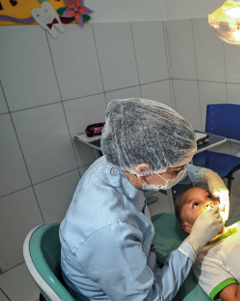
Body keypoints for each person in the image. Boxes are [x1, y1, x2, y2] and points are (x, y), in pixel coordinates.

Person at [60, 98, 230, 301]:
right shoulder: (110, 230)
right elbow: (150, 298)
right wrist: (194, 243)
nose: (182, 172)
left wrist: (205, 174)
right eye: (178, 170)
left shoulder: (115, 162)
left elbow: (163, 165)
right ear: (142, 169)